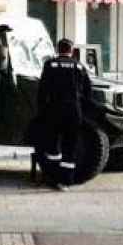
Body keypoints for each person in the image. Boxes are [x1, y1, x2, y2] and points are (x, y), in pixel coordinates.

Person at [38, 38, 91, 191]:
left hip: (54, 111)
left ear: (57, 49)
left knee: (53, 146)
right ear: (72, 50)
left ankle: (52, 178)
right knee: (70, 146)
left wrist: (42, 110)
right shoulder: (79, 66)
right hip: (74, 112)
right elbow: (88, 92)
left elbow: (42, 90)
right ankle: (66, 181)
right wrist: (83, 109)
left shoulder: (50, 65)